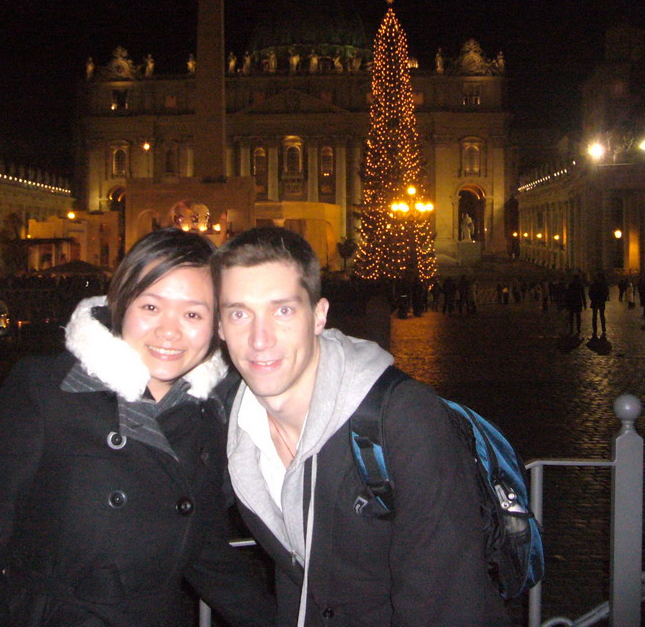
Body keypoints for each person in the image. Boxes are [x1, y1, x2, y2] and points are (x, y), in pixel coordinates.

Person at [0, 228, 275, 627]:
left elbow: (204, 549)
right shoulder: (45, 388)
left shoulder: (207, 416)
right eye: (151, 307)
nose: (169, 331)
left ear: (216, 326)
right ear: (121, 305)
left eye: (192, 314)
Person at [212, 227, 508, 627]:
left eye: (282, 310)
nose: (259, 339)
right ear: (219, 327)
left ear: (318, 316)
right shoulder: (232, 421)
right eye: (239, 313)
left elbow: (446, 600)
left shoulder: (403, 417)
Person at [588, 272, 609, 339]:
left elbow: (590, 292)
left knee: (596, 316)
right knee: (600, 316)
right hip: (600, 302)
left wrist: (592, 298)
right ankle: (601, 330)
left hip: (596, 302)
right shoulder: (603, 285)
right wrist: (603, 299)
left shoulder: (594, 284)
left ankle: (596, 331)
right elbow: (606, 292)